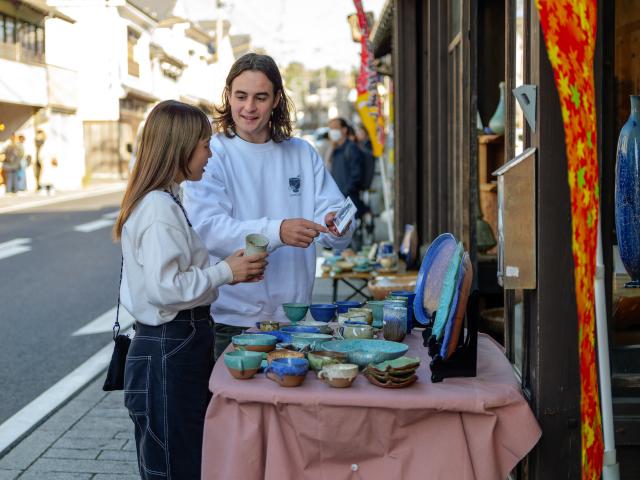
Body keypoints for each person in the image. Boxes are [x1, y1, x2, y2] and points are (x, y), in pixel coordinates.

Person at [113, 100, 267, 479]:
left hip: (175, 344)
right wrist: (224, 273)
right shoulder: (157, 208)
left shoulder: (166, 199)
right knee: (175, 467)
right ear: (180, 148)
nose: (209, 154)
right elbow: (166, 289)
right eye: (203, 145)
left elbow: (173, 276)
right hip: (168, 346)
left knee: (184, 459)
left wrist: (224, 269)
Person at [184, 53, 353, 359]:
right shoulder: (213, 153)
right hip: (231, 320)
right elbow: (208, 229)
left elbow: (336, 226)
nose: (249, 107)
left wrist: (337, 224)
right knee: (234, 407)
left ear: (276, 99)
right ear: (228, 96)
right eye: (241, 96)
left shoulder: (301, 152)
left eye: (260, 97)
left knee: (288, 406)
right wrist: (278, 231)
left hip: (295, 318)